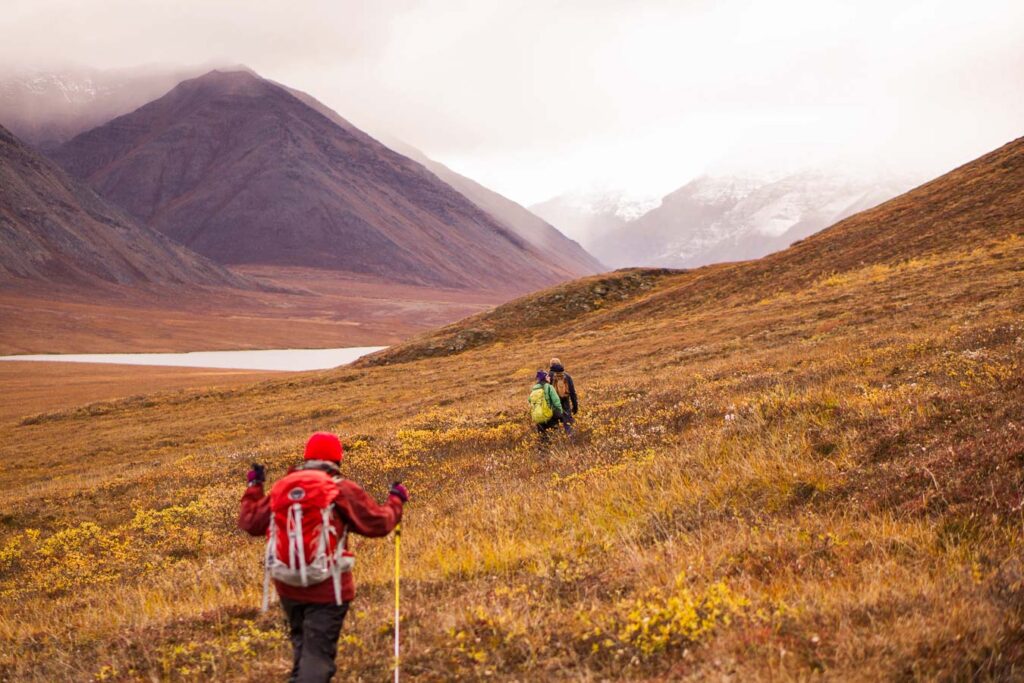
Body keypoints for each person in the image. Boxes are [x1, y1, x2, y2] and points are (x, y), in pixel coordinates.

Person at [238, 432, 408, 683]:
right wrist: (396, 500)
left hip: (287, 586)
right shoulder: (339, 488)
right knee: (318, 657)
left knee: (303, 646)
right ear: (337, 459)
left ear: (307, 457)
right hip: (329, 589)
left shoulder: (283, 487)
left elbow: (250, 522)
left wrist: (254, 488)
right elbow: (379, 524)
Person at [528, 369, 564, 446]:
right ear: (544, 378)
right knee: (554, 437)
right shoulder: (549, 387)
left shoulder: (534, 389)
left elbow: (530, 401)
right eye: (547, 376)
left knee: (543, 439)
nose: (549, 377)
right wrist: (560, 413)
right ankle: (556, 454)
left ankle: (543, 455)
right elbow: (556, 401)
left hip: (539, 418)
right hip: (550, 416)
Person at [547, 357, 578, 434]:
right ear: (560, 364)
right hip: (565, 405)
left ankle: (558, 443)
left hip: (553, 407)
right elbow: (572, 392)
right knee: (568, 427)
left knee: (554, 429)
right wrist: (575, 406)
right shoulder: (567, 376)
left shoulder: (548, 376)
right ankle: (571, 442)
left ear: (550, 365)